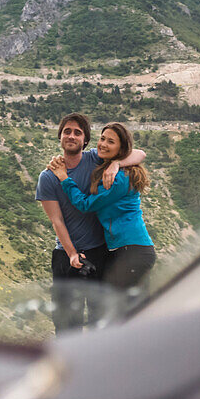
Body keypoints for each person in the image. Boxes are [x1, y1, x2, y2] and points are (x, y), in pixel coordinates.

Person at [35, 113, 145, 332]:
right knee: (67, 324)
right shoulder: (48, 177)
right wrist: (72, 253)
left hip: (100, 253)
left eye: (78, 132)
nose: (72, 136)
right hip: (66, 256)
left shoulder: (95, 158)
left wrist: (115, 164)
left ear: (85, 140)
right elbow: (56, 221)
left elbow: (140, 153)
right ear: (60, 136)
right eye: (67, 131)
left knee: (100, 319)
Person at [47, 122, 156, 300]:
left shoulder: (119, 179)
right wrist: (116, 162)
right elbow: (139, 154)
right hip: (127, 249)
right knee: (130, 308)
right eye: (102, 138)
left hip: (132, 250)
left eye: (111, 142)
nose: (103, 144)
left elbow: (85, 205)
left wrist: (64, 178)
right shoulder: (111, 168)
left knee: (120, 307)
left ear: (121, 148)